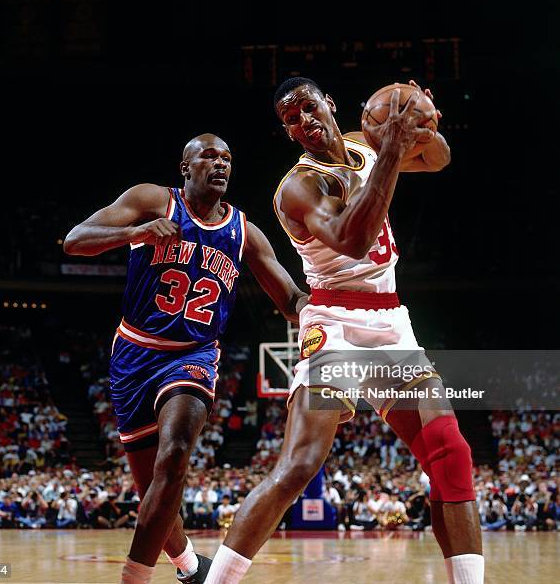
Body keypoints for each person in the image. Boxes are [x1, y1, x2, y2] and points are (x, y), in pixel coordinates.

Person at [205, 78, 484, 584]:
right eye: (291, 120)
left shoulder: (366, 142)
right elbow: (354, 242)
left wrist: (425, 120)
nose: (303, 122)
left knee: (452, 452)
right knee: (299, 465)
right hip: (334, 324)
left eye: (308, 108)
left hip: (392, 322)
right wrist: (393, 153)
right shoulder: (300, 186)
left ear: (329, 104)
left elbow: (439, 159)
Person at [64, 133, 306, 584]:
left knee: (174, 455)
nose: (221, 164)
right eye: (209, 156)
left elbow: (291, 298)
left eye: (228, 158)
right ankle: (190, 568)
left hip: (193, 354)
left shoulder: (244, 231)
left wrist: (324, 309)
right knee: (152, 488)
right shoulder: (152, 200)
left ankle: (133, 577)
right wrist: (133, 233)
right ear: (185, 166)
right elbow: (75, 241)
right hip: (134, 354)